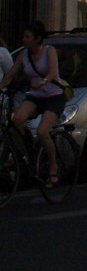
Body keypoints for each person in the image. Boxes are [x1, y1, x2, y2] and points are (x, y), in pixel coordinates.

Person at [3, 21, 64, 184]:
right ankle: (28, 152)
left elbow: (52, 72)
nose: (24, 39)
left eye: (28, 37)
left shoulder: (49, 51)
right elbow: (10, 76)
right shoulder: (24, 55)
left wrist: (43, 81)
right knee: (17, 119)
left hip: (53, 97)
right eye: (24, 36)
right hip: (35, 97)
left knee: (43, 131)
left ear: (37, 39)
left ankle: (53, 166)